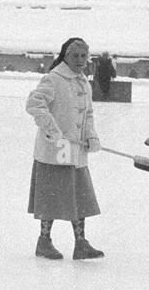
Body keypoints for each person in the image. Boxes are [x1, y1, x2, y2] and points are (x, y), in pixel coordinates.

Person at [25, 37, 104, 260]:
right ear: (65, 56)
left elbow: (88, 114)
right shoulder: (53, 79)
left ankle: (81, 243)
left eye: (83, 56)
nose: (80, 60)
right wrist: (52, 130)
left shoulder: (84, 83)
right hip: (55, 149)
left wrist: (91, 136)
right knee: (51, 198)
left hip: (76, 152)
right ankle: (44, 241)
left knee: (79, 197)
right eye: (75, 55)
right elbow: (34, 104)